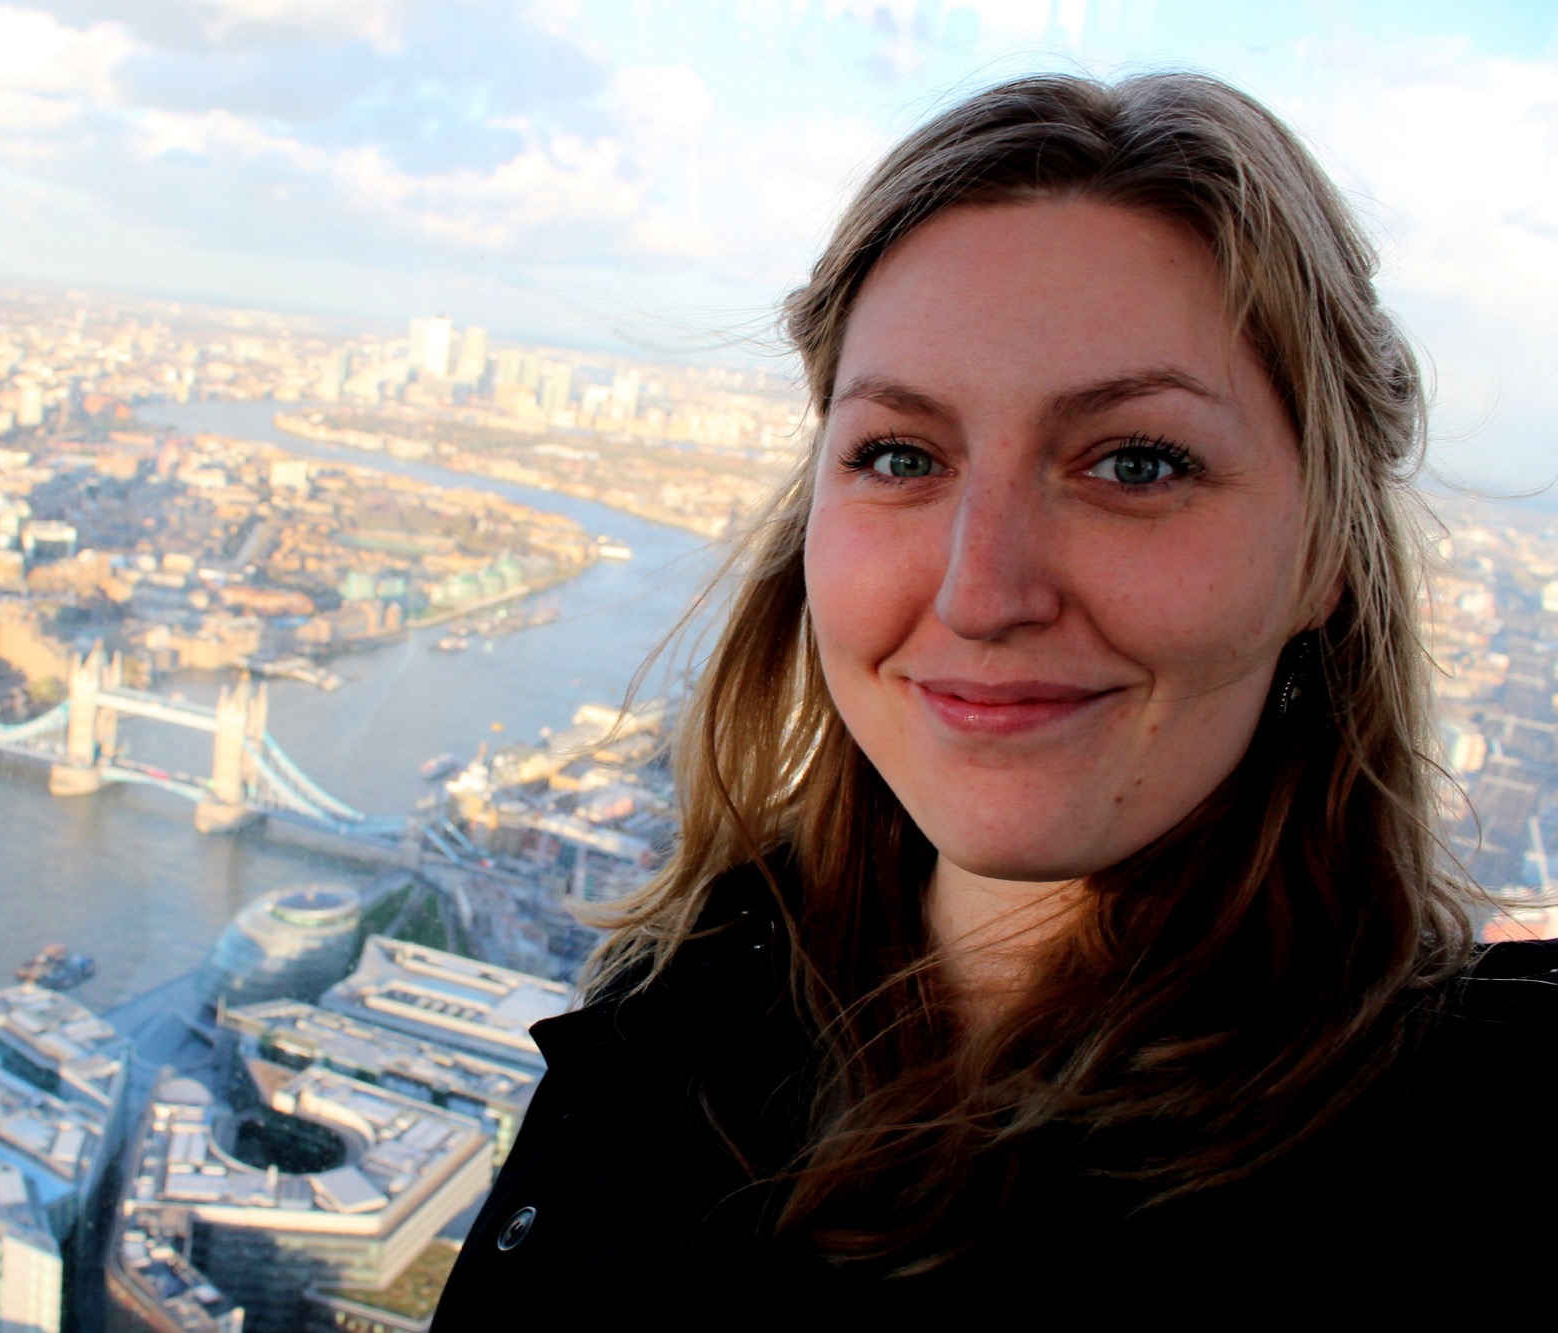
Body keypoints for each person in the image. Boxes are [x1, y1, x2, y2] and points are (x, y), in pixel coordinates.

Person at [433, 72, 1556, 1326]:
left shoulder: (1487, 1163)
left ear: (1326, 557)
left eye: (1135, 462)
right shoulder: (668, 1016)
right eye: (899, 457)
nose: (981, 592)